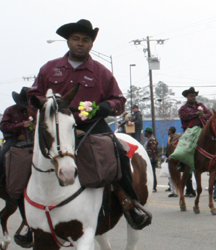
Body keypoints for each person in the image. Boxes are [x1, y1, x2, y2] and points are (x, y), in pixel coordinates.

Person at [27, 18, 151, 230]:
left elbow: (119, 101)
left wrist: (104, 107)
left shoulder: (100, 72)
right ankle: (28, 219)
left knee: (118, 152)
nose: (80, 43)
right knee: (22, 157)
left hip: (92, 126)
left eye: (85, 40)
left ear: (91, 44)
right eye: (76, 39)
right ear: (68, 41)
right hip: (56, 128)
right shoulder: (49, 69)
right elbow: (35, 96)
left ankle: (130, 203)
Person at [0, 87, 33, 206]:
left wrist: (28, 132)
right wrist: (21, 126)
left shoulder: (33, 110)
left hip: (30, 140)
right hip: (13, 140)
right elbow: (3, 126)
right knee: (2, 158)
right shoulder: (10, 110)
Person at [143, 127, 158, 192]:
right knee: (151, 172)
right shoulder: (149, 140)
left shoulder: (152, 141)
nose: (144, 133)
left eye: (145, 132)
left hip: (152, 159)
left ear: (147, 132)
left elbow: (152, 151)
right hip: (150, 159)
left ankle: (154, 187)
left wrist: (147, 156)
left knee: (152, 173)